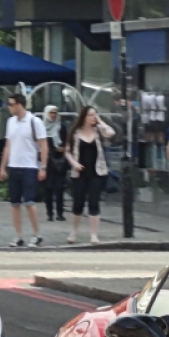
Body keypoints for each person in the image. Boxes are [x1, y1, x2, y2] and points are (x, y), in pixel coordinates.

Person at [0, 93, 47, 247]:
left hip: (29, 165)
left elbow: (44, 145)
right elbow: (8, 145)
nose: (9, 107)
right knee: (14, 203)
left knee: (30, 202)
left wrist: (43, 167)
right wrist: (3, 166)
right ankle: (18, 235)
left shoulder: (34, 121)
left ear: (20, 104)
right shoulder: (11, 122)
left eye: (11, 104)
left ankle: (36, 234)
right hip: (14, 165)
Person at [64, 105, 116, 245]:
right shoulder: (75, 133)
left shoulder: (99, 131)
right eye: (91, 115)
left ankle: (94, 234)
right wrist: (74, 163)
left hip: (97, 172)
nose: (93, 117)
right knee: (78, 204)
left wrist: (100, 121)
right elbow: (67, 151)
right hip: (80, 172)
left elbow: (111, 133)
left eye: (95, 115)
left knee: (94, 202)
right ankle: (74, 231)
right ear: (84, 117)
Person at [42, 105, 67, 222]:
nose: (53, 115)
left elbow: (66, 142)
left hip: (60, 162)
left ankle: (60, 213)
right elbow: (41, 145)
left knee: (59, 188)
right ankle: (49, 213)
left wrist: (63, 148)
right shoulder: (42, 128)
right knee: (48, 188)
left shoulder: (61, 127)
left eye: (55, 113)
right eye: (51, 113)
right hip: (47, 162)